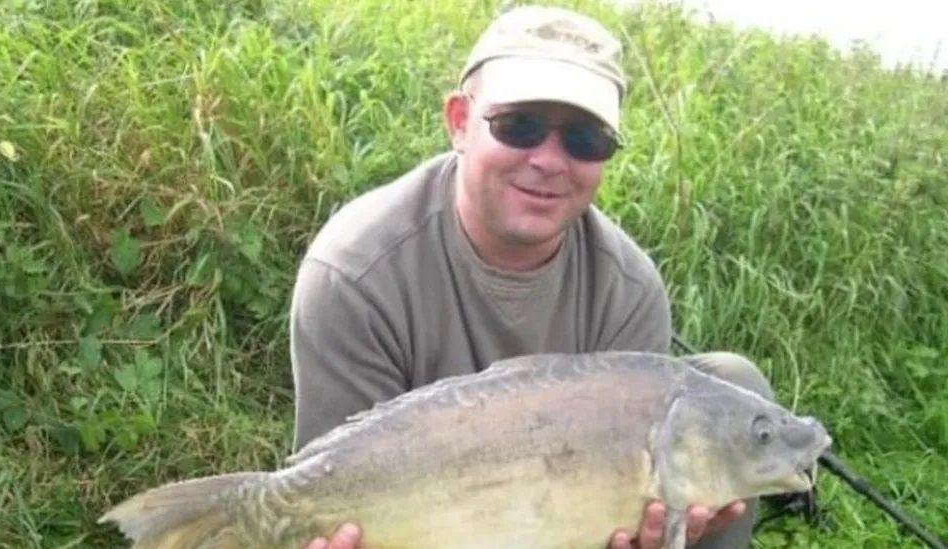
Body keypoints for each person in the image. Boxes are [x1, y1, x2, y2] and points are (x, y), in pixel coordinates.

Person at [289, 5, 771, 548]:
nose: (548, 160)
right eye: (519, 126)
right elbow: (333, 485)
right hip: (424, 517)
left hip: (558, 519)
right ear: (459, 123)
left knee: (735, 389)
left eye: (586, 140)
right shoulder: (354, 272)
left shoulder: (627, 287)